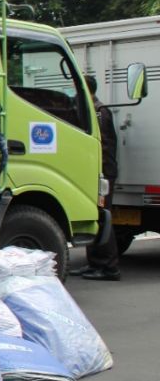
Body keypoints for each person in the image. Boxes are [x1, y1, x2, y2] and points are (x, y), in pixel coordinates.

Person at [80, 74, 121, 281]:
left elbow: (102, 146)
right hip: (96, 173)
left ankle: (110, 268)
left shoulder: (99, 112)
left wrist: (99, 172)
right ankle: (94, 263)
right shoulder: (91, 109)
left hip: (103, 173)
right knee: (94, 216)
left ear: (87, 88)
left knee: (103, 218)